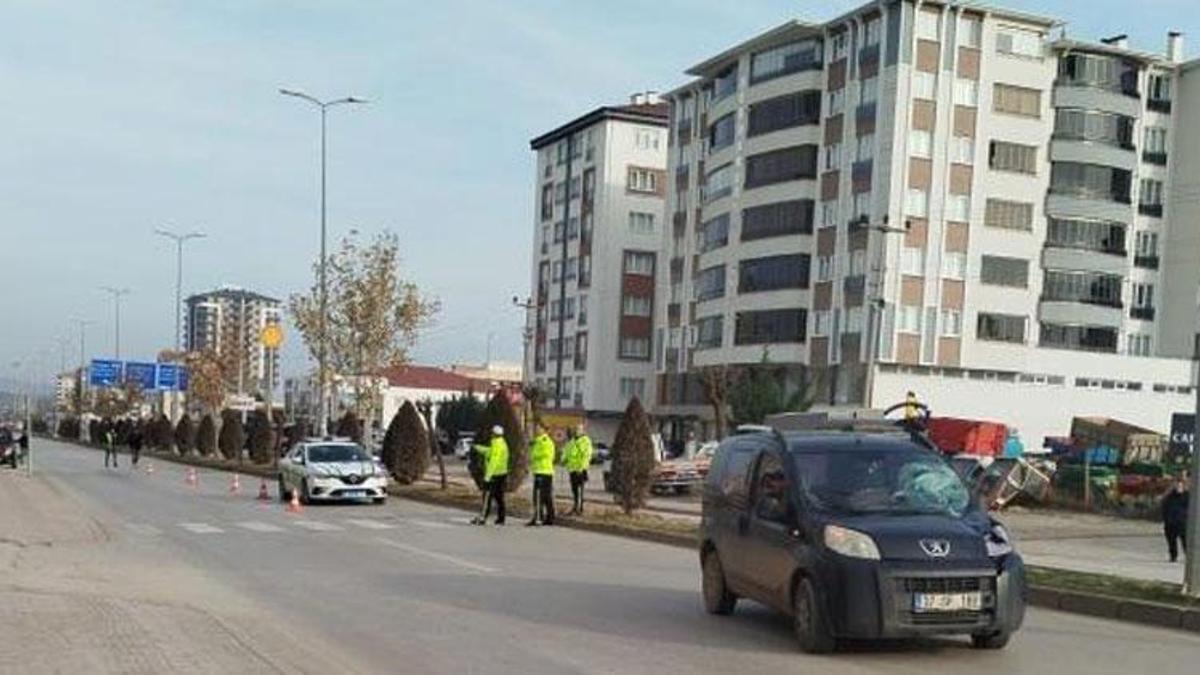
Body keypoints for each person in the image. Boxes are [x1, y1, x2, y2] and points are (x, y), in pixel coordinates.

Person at [472, 425, 509, 526]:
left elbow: (494, 460)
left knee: (487, 496)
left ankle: (483, 517)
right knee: (499, 497)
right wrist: (478, 448)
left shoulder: (496, 444)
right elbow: (489, 452)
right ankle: (501, 518)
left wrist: (487, 476)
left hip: (494, 475)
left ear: (494, 434)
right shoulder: (502, 443)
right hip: (502, 474)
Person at [527, 424, 556, 526]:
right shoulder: (538, 441)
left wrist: (534, 454)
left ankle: (539, 517)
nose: (537, 430)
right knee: (546, 496)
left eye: (539, 429)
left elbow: (545, 454)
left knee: (538, 496)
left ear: (545, 430)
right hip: (541, 471)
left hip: (543, 471)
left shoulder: (545, 442)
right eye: (536, 428)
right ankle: (549, 517)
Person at [563, 424, 594, 516]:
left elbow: (586, 455)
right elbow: (566, 452)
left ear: (583, 430)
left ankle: (579, 509)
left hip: (580, 469)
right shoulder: (571, 441)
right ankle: (575, 506)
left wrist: (581, 468)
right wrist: (563, 459)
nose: (577, 431)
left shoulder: (585, 441)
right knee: (574, 490)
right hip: (572, 469)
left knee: (580, 490)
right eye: (576, 429)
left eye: (579, 429)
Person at [1162, 477, 1189, 563]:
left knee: (1185, 541)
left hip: (1183, 523)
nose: (1178, 487)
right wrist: (1166, 519)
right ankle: (1173, 556)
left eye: (1180, 485)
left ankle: (1188, 556)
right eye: (1177, 485)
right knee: (1171, 541)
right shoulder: (1169, 497)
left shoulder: (1187, 496)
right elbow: (1164, 508)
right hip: (1171, 523)